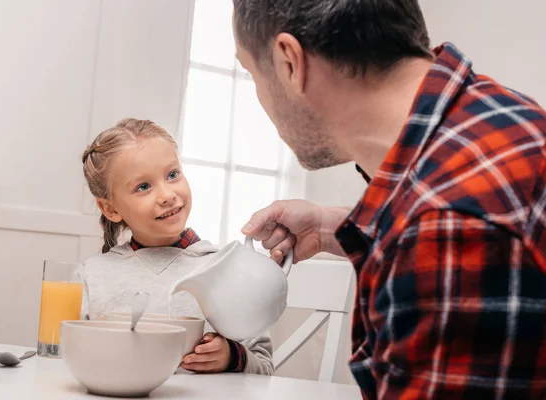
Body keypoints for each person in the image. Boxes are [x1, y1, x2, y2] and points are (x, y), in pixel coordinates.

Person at [233, 0, 546, 397]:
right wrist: (337, 227)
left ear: (289, 62)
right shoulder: (493, 117)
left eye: (251, 73)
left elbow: (445, 227)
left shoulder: (445, 228)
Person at [80, 118, 273, 375]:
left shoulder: (229, 270)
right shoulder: (92, 276)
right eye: (143, 187)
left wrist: (232, 357)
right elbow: (66, 359)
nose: (167, 195)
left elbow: (265, 370)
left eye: (172, 175)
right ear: (111, 208)